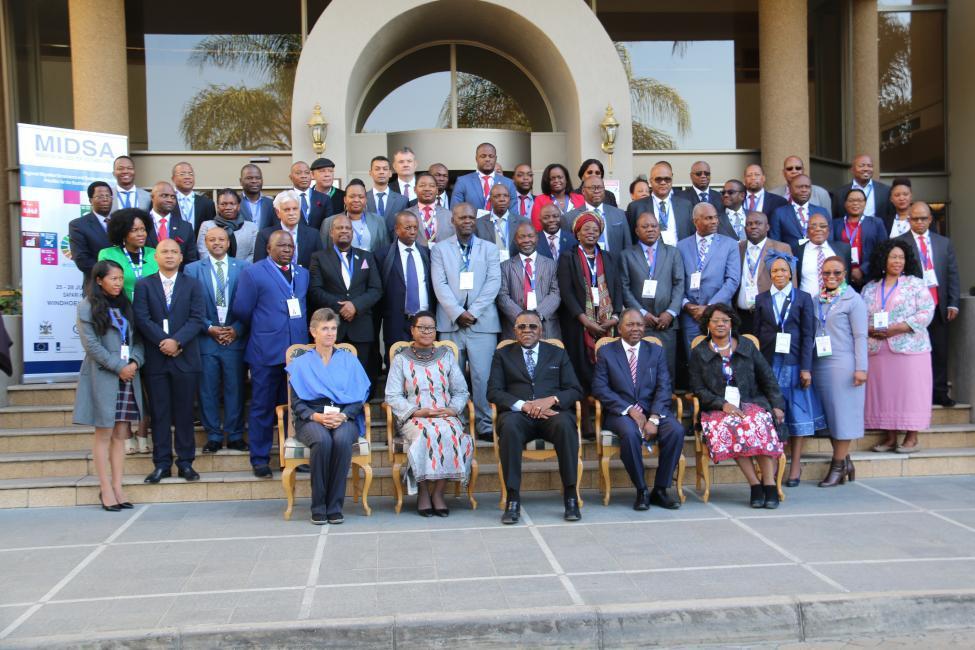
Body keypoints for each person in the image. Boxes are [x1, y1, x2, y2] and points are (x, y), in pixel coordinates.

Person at [488, 310, 583, 524]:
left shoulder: (557, 353)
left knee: (566, 425)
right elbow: (493, 392)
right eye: (521, 327)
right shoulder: (503, 355)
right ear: (515, 331)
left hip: (552, 414)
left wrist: (552, 400)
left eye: (532, 326)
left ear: (541, 330)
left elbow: (575, 390)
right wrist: (525, 406)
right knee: (509, 428)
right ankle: (512, 500)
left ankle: (571, 497)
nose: (527, 330)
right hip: (518, 415)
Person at [688, 303, 786, 508]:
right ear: (707, 324)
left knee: (758, 422)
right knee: (733, 427)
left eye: (725, 320)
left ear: (732, 323)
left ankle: (769, 484)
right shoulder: (699, 352)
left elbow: (767, 377)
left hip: (751, 401)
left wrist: (777, 404)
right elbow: (698, 388)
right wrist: (722, 404)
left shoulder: (746, 346)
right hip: (717, 409)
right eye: (715, 321)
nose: (720, 324)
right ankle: (755, 485)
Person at [233, 230, 310, 478]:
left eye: (290, 246)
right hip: (265, 351)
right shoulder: (253, 273)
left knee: (294, 408)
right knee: (263, 407)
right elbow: (242, 309)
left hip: (296, 353)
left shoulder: (303, 274)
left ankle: (292, 456)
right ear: (268, 248)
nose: (287, 249)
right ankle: (260, 459)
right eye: (281, 245)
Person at [591, 309, 684, 510]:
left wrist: (654, 418)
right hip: (620, 413)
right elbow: (600, 388)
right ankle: (641, 489)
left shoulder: (656, 351)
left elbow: (664, 386)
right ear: (619, 328)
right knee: (630, 433)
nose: (636, 329)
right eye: (630, 325)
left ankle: (660, 489)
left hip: (653, 410)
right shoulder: (606, 352)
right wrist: (630, 410)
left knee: (676, 430)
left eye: (640, 325)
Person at [286, 308, 371, 525]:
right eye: (325, 328)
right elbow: (296, 402)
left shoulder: (348, 360)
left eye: (333, 328)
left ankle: (334, 506)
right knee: (322, 441)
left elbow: (359, 397)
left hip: (344, 415)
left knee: (341, 440)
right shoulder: (302, 363)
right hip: (311, 418)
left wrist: (344, 416)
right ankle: (318, 506)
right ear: (313, 331)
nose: (330, 333)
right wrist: (315, 417)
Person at [385, 311, 474, 517]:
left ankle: (439, 493)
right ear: (412, 330)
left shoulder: (446, 356)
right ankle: (423, 491)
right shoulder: (401, 359)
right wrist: (417, 411)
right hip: (414, 417)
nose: (426, 332)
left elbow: (461, 391)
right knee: (426, 434)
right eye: (422, 327)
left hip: (445, 415)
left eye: (431, 328)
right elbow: (392, 395)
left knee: (451, 432)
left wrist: (452, 409)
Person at [132, 239, 206, 484]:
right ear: (155, 257)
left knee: (185, 414)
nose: (170, 255)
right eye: (165, 251)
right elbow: (142, 318)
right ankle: (162, 464)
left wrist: (177, 342)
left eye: (175, 251)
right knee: (159, 413)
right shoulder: (144, 285)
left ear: (182, 257)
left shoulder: (193, 284)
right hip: (156, 359)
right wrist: (164, 342)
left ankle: (186, 463)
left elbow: (197, 318)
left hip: (185, 358)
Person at [73, 260, 144, 511]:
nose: (118, 283)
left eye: (120, 278)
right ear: (99, 280)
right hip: (104, 376)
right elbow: (92, 346)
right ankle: (105, 489)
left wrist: (134, 362)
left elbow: (138, 340)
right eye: (113, 278)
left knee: (121, 434)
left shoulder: (126, 305)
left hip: (128, 377)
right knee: (104, 432)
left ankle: (118, 487)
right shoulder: (87, 306)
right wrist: (119, 366)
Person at [431, 202, 502, 440]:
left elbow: (493, 282)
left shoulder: (489, 249)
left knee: (483, 377)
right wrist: (457, 312)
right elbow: (439, 284)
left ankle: (484, 424)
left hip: (483, 324)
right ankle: (456, 423)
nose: (467, 221)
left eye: (471, 217)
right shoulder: (440, 249)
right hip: (451, 323)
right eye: (462, 218)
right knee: (453, 376)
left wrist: (474, 312)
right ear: (453, 220)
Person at [753, 251, 825, 486]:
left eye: (783, 270)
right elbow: (756, 335)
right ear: (770, 274)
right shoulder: (762, 299)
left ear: (791, 273)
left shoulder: (802, 298)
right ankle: (774, 463)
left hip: (794, 364)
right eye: (775, 270)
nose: (779, 274)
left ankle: (795, 466)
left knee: (796, 414)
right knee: (774, 414)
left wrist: (806, 368)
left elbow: (807, 335)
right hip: (769, 363)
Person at [862, 239, 934, 453]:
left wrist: (898, 328)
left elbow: (926, 311)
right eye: (893, 257)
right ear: (883, 259)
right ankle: (890, 438)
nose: (897, 261)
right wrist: (868, 329)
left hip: (910, 348)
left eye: (901, 257)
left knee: (911, 393)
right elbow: (859, 315)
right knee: (886, 394)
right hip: (878, 349)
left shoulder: (915, 284)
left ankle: (912, 437)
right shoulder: (870, 287)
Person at [184, 227, 250, 454]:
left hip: (235, 338)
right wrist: (209, 327)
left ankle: (235, 435)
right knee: (207, 390)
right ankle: (213, 435)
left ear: (228, 243)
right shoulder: (193, 269)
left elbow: (251, 303)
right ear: (205, 243)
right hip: (206, 339)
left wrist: (237, 329)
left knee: (235, 389)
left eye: (221, 239)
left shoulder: (244, 268)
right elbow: (190, 304)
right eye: (212, 239)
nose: (217, 243)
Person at [557, 211, 622, 436]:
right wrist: (585, 320)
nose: (591, 233)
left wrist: (615, 317)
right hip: (578, 326)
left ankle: (607, 418)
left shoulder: (609, 257)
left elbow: (617, 287)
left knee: (607, 370)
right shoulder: (568, 257)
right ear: (577, 233)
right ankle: (585, 421)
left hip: (607, 325)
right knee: (581, 371)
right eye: (586, 229)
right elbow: (566, 292)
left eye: (595, 229)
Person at [896, 202, 960, 406]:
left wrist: (953, 303)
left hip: (938, 306)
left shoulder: (943, 242)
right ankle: (915, 394)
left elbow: (952, 274)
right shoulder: (899, 243)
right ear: (909, 220)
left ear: (930, 219)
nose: (919, 222)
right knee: (913, 354)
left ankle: (939, 393)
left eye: (923, 218)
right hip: (912, 309)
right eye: (915, 219)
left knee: (940, 352)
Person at [811, 257, 868, 488]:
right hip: (820, 363)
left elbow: (860, 336)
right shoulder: (816, 299)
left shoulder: (853, 300)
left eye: (836, 272)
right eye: (826, 273)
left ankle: (837, 466)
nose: (831, 277)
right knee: (831, 417)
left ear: (844, 274)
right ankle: (846, 461)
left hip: (844, 364)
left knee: (843, 416)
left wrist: (861, 368)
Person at [308, 214, 383, 377]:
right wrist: (341, 307)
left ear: (352, 232)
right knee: (332, 375)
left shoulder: (366, 257)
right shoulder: (319, 257)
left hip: (361, 327)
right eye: (339, 228)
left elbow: (376, 289)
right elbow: (315, 290)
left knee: (360, 375)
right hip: (332, 328)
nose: (344, 231)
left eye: (348, 228)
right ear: (331, 232)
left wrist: (355, 305)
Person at [619, 212, 684, 377]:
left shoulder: (673, 252)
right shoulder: (626, 255)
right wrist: (642, 313)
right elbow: (624, 288)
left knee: (667, 370)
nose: (650, 230)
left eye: (654, 226)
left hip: (667, 323)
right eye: (645, 226)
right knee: (641, 370)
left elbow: (679, 284)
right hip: (639, 324)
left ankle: (666, 396)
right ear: (636, 231)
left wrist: (670, 313)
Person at [676, 202, 742, 352]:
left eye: (715, 217)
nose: (714, 221)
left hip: (720, 314)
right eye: (708, 218)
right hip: (691, 316)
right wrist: (686, 304)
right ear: (695, 221)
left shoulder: (730, 245)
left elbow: (732, 280)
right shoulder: (681, 246)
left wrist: (710, 307)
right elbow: (677, 281)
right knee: (694, 359)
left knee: (720, 358)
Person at [378, 211, 436, 353]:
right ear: (397, 229)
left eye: (415, 228)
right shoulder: (383, 255)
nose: (412, 231)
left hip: (424, 320)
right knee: (396, 360)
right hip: (396, 321)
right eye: (407, 227)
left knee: (425, 360)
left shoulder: (427, 253)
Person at [497, 222, 561, 339]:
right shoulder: (505, 267)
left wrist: (538, 315)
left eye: (530, 236)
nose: (526, 240)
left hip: (546, 327)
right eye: (522, 237)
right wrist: (522, 318)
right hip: (515, 328)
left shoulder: (551, 265)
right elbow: (502, 296)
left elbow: (555, 293)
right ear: (515, 240)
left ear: (537, 238)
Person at [735, 211, 793, 333]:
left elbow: (791, 283)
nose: (753, 226)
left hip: (771, 315)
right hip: (741, 315)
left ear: (767, 227)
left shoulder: (782, 248)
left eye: (758, 223)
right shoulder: (737, 248)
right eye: (749, 224)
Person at [625, 161, 694, 246]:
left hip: (679, 253)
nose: (663, 182)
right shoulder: (636, 207)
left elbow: (692, 235)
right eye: (658, 179)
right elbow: (630, 239)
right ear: (651, 181)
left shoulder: (685, 205)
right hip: (649, 253)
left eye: (667, 179)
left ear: (672, 179)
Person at [97, 208, 159, 302]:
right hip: (120, 306)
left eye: (143, 229)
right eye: (134, 230)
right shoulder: (108, 255)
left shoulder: (155, 253)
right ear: (122, 233)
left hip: (151, 306)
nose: (141, 234)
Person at [831, 188, 887, 288]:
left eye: (860, 200)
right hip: (842, 277)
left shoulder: (876, 223)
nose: (855, 203)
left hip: (870, 277)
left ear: (865, 203)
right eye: (851, 200)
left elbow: (883, 250)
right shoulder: (835, 224)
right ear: (845, 203)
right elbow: (832, 249)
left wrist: (863, 270)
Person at [254, 190, 324, 269]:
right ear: (277, 212)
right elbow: (259, 267)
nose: (291, 213)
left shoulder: (313, 234)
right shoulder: (265, 235)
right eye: (287, 210)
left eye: (295, 209)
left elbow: (319, 265)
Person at [563, 176, 632, 253]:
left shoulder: (619, 214)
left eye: (600, 187)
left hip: (614, 260)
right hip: (583, 260)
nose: (596, 191)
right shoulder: (570, 218)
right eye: (592, 188)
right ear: (583, 191)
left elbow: (628, 245)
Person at [320, 179, 390, 254]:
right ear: (345, 199)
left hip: (371, 261)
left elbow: (385, 250)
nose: (356, 200)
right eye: (352, 196)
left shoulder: (378, 221)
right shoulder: (329, 222)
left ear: (366, 200)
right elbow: (322, 252)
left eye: (361, 197)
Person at [770, 174, 831, 256]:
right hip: (791, 258)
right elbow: (775, 243)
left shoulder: (822, 212)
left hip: (818, 257)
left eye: (807, 187)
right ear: (790, 189)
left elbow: (830, 239)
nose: (804, 190)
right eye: (799, 187)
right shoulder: (779, 213)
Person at [796, 213, 853, 298]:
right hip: (807, 303)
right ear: (807, 231)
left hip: (838, 302)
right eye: (813, 226)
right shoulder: (796, 251)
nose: (818, 229)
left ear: (828, 230)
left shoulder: (843, 249)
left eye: (822, 226)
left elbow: (847, 277)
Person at [196, 189, 259, 262]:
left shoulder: (251, 227)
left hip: (243, 268)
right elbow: (203, 251)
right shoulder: (207, 226)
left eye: (232, 204)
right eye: (223, 204)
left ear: (238, 206)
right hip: (212, 268)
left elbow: (253, 253)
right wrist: (220, 266)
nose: (228, 207)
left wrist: (238, 267)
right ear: (218, 207)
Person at [145, 181, 199, 267]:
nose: (170, 200)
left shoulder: (185, 227)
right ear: (152, 197)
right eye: (164, 195)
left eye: (173, 197)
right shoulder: (141, 224)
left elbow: (190, 262)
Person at [450, 142, 517, 210]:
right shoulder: (462, 181)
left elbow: (513, 213)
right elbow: (455, 210)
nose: (487, 159)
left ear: (495, 158)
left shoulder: (509, 183)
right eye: (483, 156)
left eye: (491, 156)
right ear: (476, 158)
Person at [831, 154, 893, 226]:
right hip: (849, 232)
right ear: (852, 170)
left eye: (869, 166)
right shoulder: (839, 193)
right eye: (861, 166)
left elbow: (890, 216)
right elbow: (835, 219)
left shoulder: (885, 190)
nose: (866, 169)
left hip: (877, 232)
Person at [69, 181, 113, 278]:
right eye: (100, 197)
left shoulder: (120, 221)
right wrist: (110, 273)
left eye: (108, 196)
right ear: (90, 200)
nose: (105, 199)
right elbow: (82, 260)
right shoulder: (78, 225)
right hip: (96, 281)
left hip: (123, 282)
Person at [475, 183, 528, 261]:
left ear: (509, 199)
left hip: (514, 267)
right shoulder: (478, 224)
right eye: (497, 196)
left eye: (505, 196)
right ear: (490, 200)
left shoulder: (523, 222)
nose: (502, 199)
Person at [530, 163, 584, 229]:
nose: (556, 180)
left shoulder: (580, 199)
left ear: (566, 179)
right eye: (552, 178)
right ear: (547, 181)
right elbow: (537, 227)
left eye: (560, 177)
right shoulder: (540, 200)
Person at [406, 172, 453, 245]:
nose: (427, 189)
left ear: (437, 190)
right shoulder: (406, 215)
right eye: (422, 185)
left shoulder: (449, 215)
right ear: (415, 189)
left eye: (431, 186)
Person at [170, 162, 216, 236]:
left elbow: (212, 232)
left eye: (190, 174)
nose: (187, 177)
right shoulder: (167, 202)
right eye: (182, 174)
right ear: (173, 179)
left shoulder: (207, 204)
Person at [366, 155, 409, 224]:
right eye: (377, 169)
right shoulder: (363, 199)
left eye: (385, 169)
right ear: (370, 173)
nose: (381, 172)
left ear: (390, 173)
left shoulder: (402, 200)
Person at [239, 163, 275, 228]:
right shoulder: (235, 203)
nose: (254, 181)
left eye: (258, 178)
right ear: (241, 181)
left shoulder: (272, 204)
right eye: (249, 178)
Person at [287, 160, 317, 227]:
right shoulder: (283, 198)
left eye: (307, 173)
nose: (304, 176)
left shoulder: (323, 198)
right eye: (298, 173)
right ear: (290, 177)